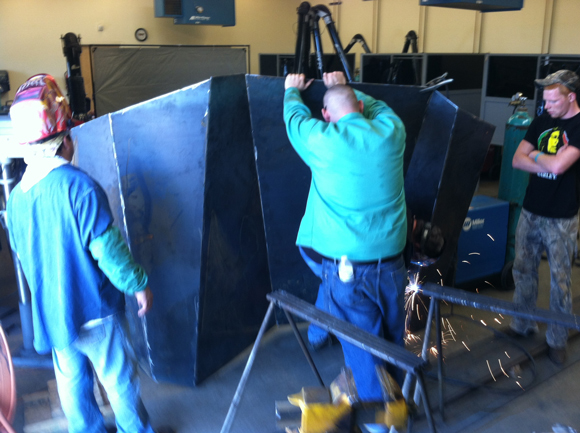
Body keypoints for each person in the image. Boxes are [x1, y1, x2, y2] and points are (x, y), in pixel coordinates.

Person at [7, 74, 170, 433]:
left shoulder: (17, 197)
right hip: (94, 310)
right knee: (118, 379)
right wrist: (138, 283)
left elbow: (21, 251)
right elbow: (108, 250)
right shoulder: (79, 186)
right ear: (66, 140)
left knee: (71, 383)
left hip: (53, 312)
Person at [283, 71, 408, 401]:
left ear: (325, 115)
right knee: (394, 337)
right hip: (393, 262)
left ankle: (377, 419)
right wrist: (342, 85)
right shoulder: (393, 132)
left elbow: (294, 118)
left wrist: (291, 92)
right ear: (362, 106)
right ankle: (396, 395)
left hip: (346, 267)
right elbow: (379, 108)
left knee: (361, 346)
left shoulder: (321, 139)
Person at [509, 70, 580, 365]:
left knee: (560, 279)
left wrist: (535, 157)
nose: (547, 106)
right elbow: (516, 159)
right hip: (531, 210)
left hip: (561, 217)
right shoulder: (541, 121)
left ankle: (557, 339)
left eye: (553, 100)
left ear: (571, 97)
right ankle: (523, 323)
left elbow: (561, 166)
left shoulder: (578, 125)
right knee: (523, 267)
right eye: (545, 100)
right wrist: (544, 158)